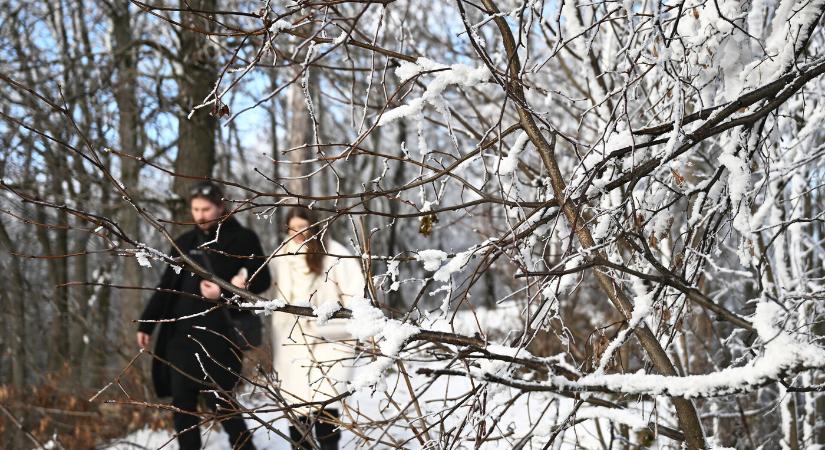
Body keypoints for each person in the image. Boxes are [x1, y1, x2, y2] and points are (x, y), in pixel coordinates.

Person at [136, 181, 271, 450]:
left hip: (218, 338)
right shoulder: (185, 242)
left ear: (221, 206)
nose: (200, 215)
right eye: (195, 209)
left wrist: (229, 289)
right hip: (180, 340)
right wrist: (147, 323)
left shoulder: (242, 238)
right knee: (183, 411)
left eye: (206, 209)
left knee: (224, 407)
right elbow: (166, 286)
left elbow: (262, 279)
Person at [267, 207, 366, 450]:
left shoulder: (335, 255)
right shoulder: (279, 256)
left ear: (314, 227)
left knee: (325, 417)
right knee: (297, 418)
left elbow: (357, 298)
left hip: (329, 343)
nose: (298, 233)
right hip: (290, 345)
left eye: (303, 227)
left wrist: (335, 324)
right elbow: (265, 290)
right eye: (293, 228)